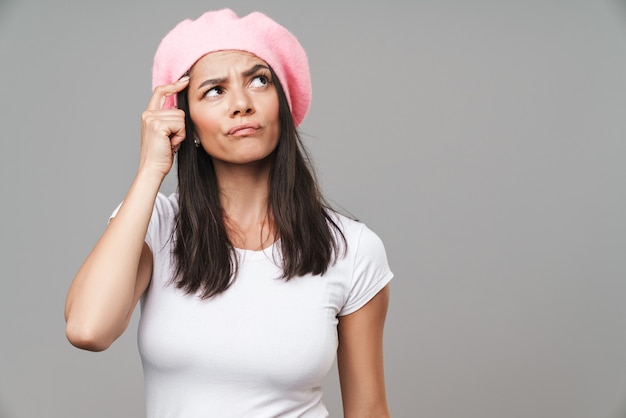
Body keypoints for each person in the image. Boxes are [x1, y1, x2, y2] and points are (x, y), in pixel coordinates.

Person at [65, 8, 393, 418]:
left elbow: (369, 409)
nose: (241, 104)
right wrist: (150, 169)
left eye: (259, 80)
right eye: (214, 91)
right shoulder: (155, 225)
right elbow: (87, 329)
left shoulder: (352, 249)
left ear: (283, 104)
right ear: (186, 120)